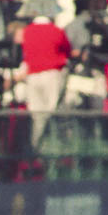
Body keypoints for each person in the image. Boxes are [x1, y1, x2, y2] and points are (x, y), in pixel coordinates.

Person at [21, 13, 72, 147]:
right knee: (52, 110)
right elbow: (67, 49)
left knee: (37, 114)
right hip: (51, 73)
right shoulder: (56, 30)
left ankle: (36, 147)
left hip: (32, 75)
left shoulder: (27, 31)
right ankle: (57, 146)